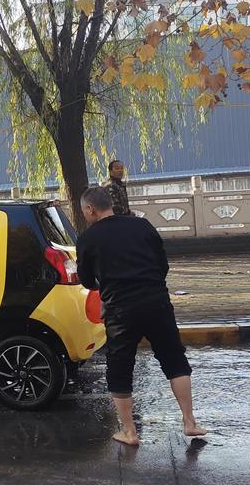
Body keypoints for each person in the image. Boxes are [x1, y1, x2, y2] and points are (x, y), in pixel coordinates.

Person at [76, 186, 206, 445]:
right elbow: (163, 265)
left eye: (84, 211)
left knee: (120, 366)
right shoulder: (142, 225)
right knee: (174, 359)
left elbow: (88, 281)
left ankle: (129, 432)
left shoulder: (88, 239)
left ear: (90, 209)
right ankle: (190, 422)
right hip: (156, 302)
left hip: (121, 310)